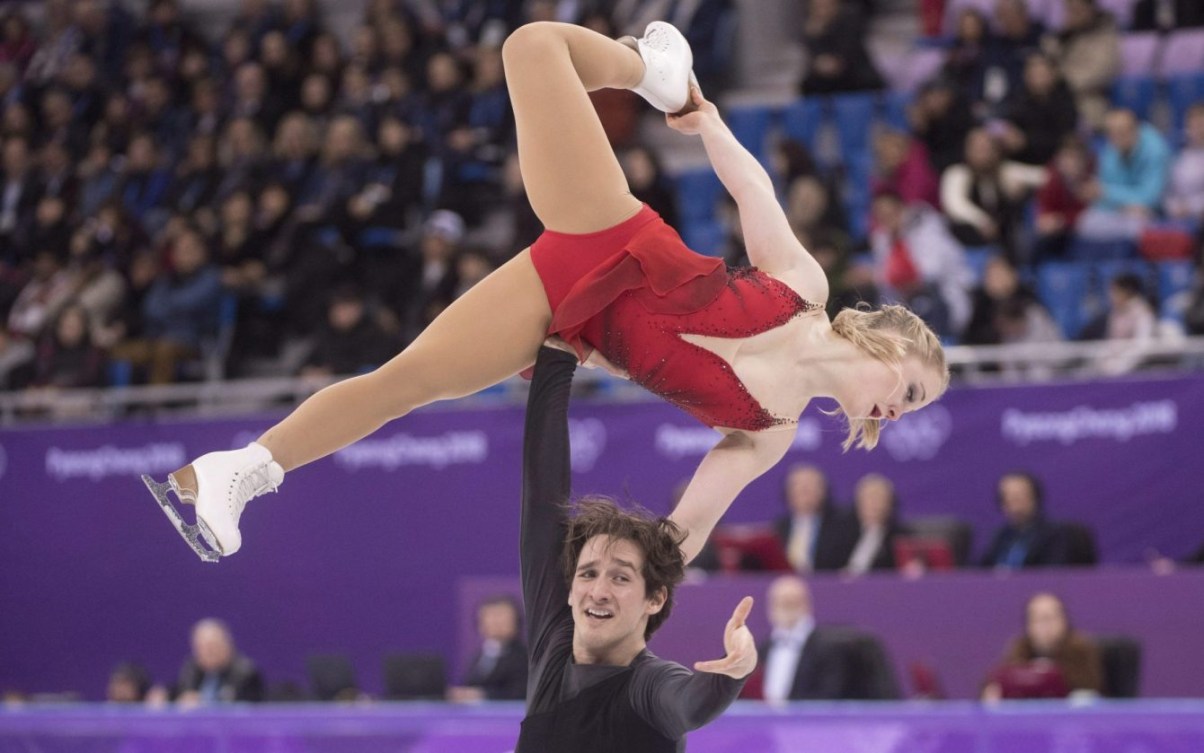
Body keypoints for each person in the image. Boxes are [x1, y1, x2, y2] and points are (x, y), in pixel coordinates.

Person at [150, 21, 948, 560]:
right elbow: (756, 195)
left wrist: (641, 581)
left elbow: (686, 525)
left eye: (911, 410)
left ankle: (236, 472)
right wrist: (701, 119)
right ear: (895, 340)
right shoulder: (803, 287)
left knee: (405, 383)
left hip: (568, 316)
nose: (898, 410)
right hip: (616, 234)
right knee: (533, 47)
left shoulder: (769, 434)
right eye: (910, 388)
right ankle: (654, 71)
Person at [516, 346, 754, 750]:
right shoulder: (554, 643)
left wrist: (735, 671)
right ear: (570, 589)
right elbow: (542, 498)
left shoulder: (650, 686)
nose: (599, 590)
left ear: (655, 598)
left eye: (621, 577)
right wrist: (556, 359)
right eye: (588, 573)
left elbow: (690, 705)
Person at [981, 592, 1102, 700]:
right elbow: (998, 679)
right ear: (1028, 625)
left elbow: (1089, 687)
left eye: (1050, 618)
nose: (1045, 626)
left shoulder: (1080, 648)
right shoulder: (1020, 647)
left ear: (1064, 621)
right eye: (1037, 620)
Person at [754, 575, 852, 702]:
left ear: (807, 604)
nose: (786, 606)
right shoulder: (764, 647)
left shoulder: (827, 648)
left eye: (792, 601)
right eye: (780, 601)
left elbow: (829, 696)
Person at [772, 464, 858, 573]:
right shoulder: (778, 529)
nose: (804, 491)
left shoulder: (843, 527)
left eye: (810, 486)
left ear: (824, 490)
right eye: (797, 486)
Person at [447, 595, 529, 702]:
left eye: (501, 616)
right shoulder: (478, 657)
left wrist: (482, 695)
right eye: (490, 616)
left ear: (516, 621)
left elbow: (521, 693)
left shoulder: (525, 657)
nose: (496, 622)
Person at [979, 472, 1067, 569]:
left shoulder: (1053, 535)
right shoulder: (1001, 535)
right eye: (1007, 498)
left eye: (1019, 497)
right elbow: (983, 571)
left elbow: (1051, 574)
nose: (1014, 505)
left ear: (1035, 497)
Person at [175, 618, 264, 705]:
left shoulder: (244, 672)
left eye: (212, 646)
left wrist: (203, 703)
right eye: (201, 648)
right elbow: (179, 694)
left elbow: (244, 707)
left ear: (227, 645)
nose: (207, 653)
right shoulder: (191, 669)